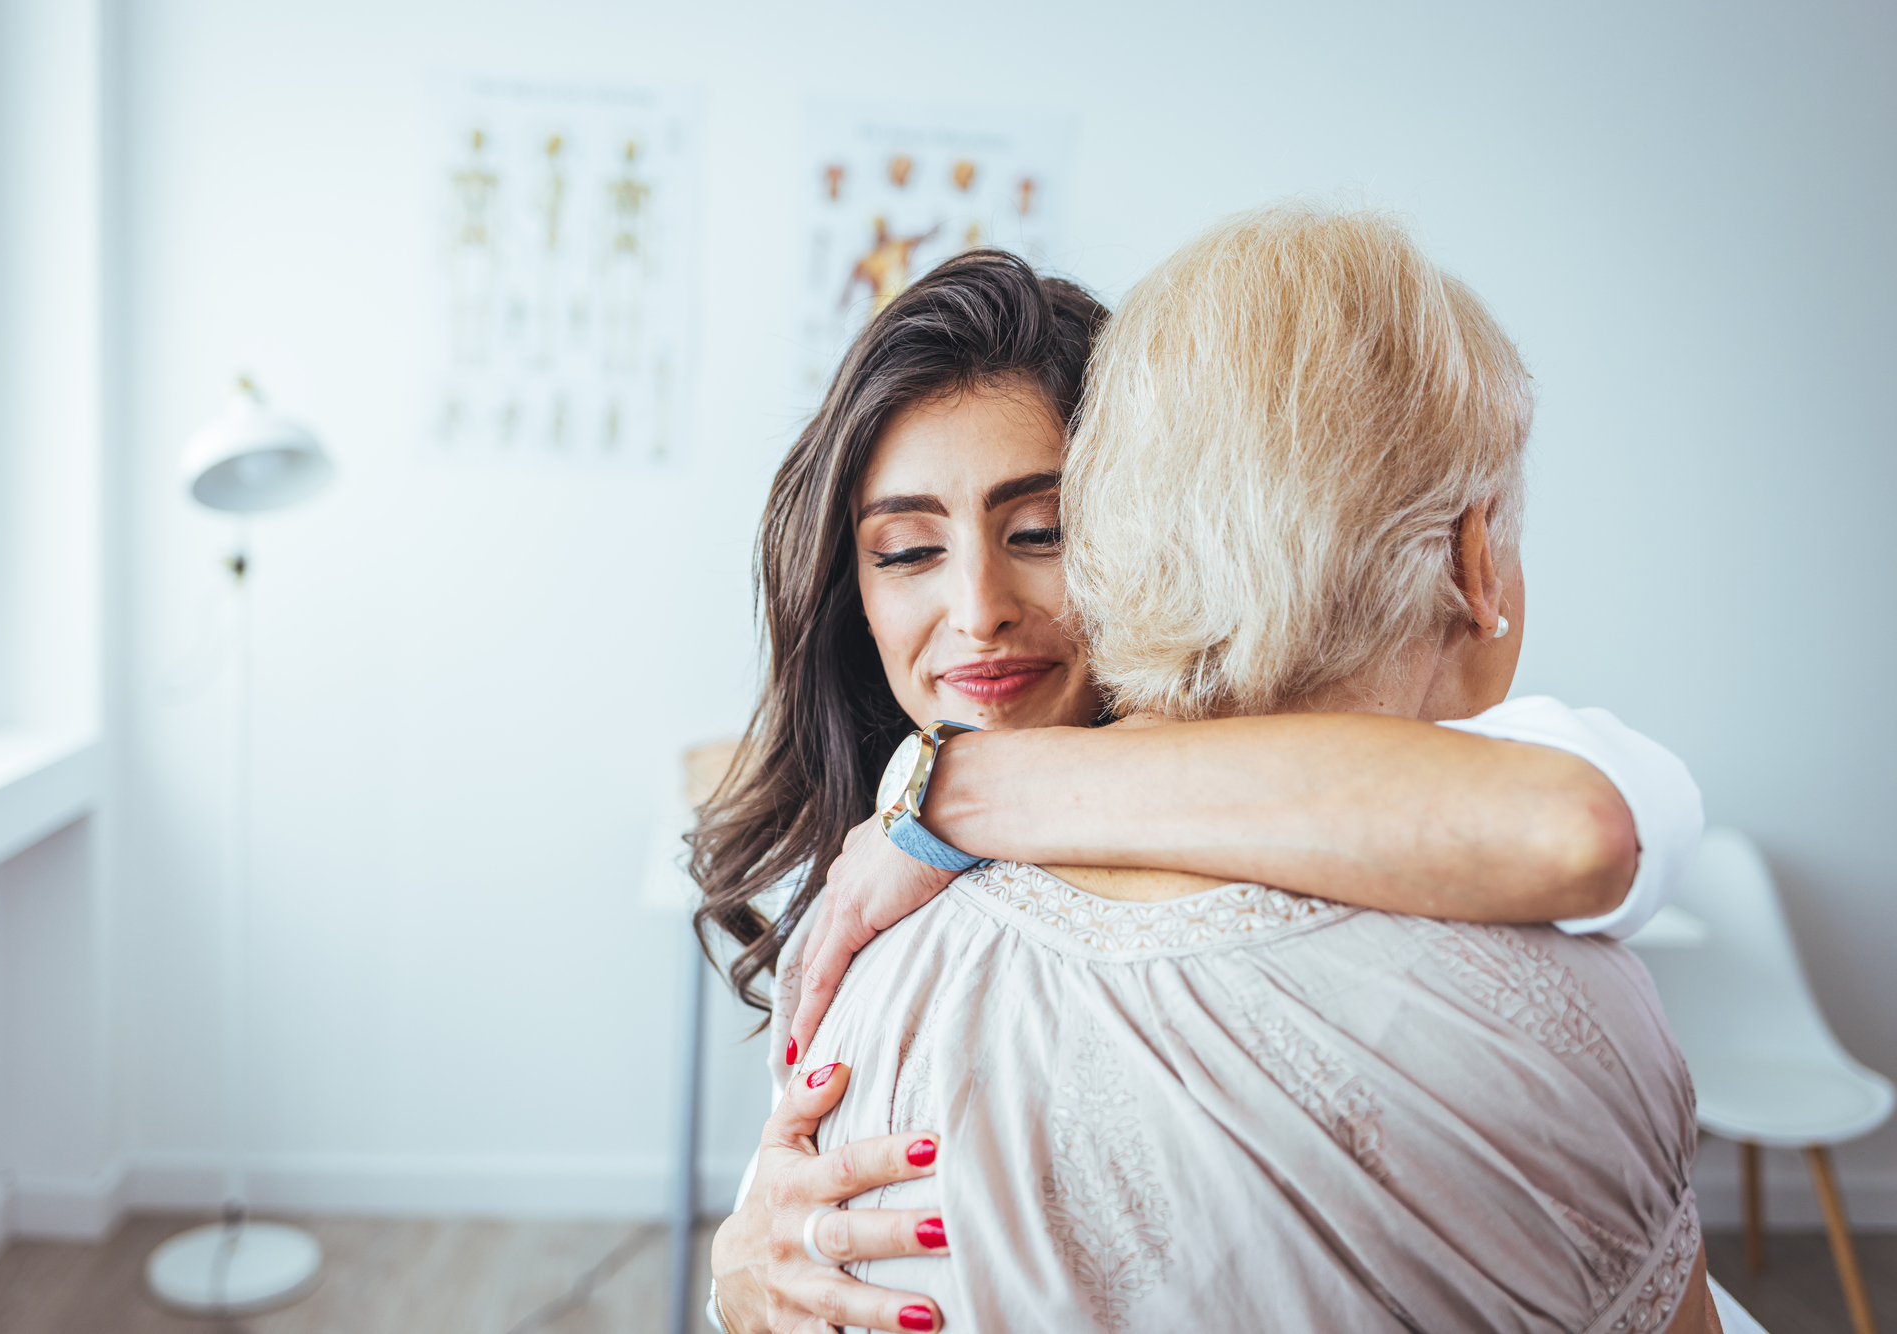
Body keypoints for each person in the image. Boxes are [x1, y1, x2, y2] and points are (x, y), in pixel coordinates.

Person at [693, 247, 1707, 1334]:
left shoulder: (1448, 778)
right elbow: (804, 1236)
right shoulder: (874, 876)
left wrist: (972, 787)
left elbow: (1575, 819)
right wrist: (736, 1272)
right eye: (903, 550)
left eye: (1041, 532)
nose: (978, 605)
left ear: (1149, 529)